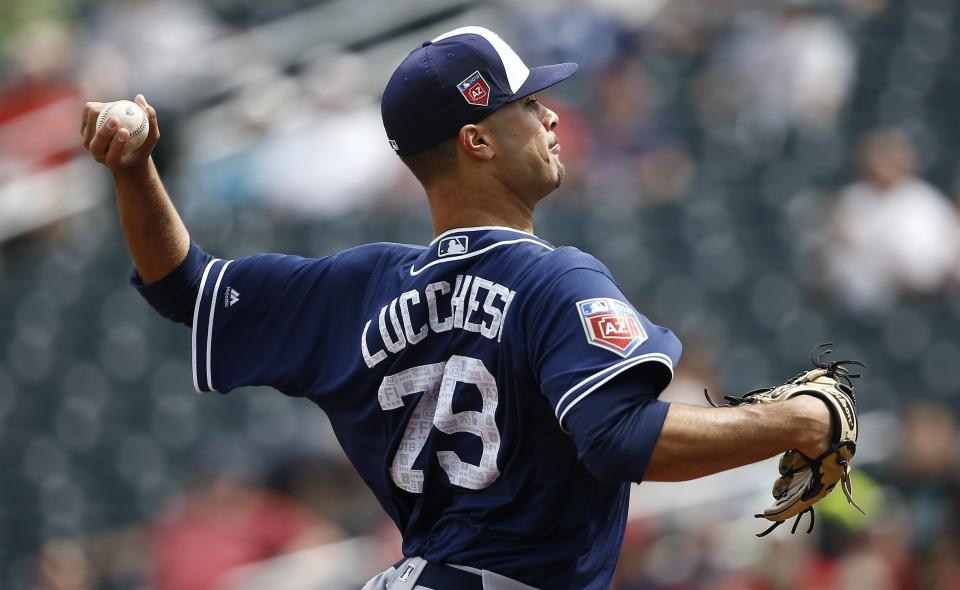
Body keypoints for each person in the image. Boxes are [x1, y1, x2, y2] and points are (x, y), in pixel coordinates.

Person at [82, 26, 834, 590]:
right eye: (530, 103)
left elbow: (182, 284)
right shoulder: (556, 280)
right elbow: (617, 438)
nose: (552, 117)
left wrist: (134, 171)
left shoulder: (361, 285)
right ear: (476, 140)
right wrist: (798, 419)